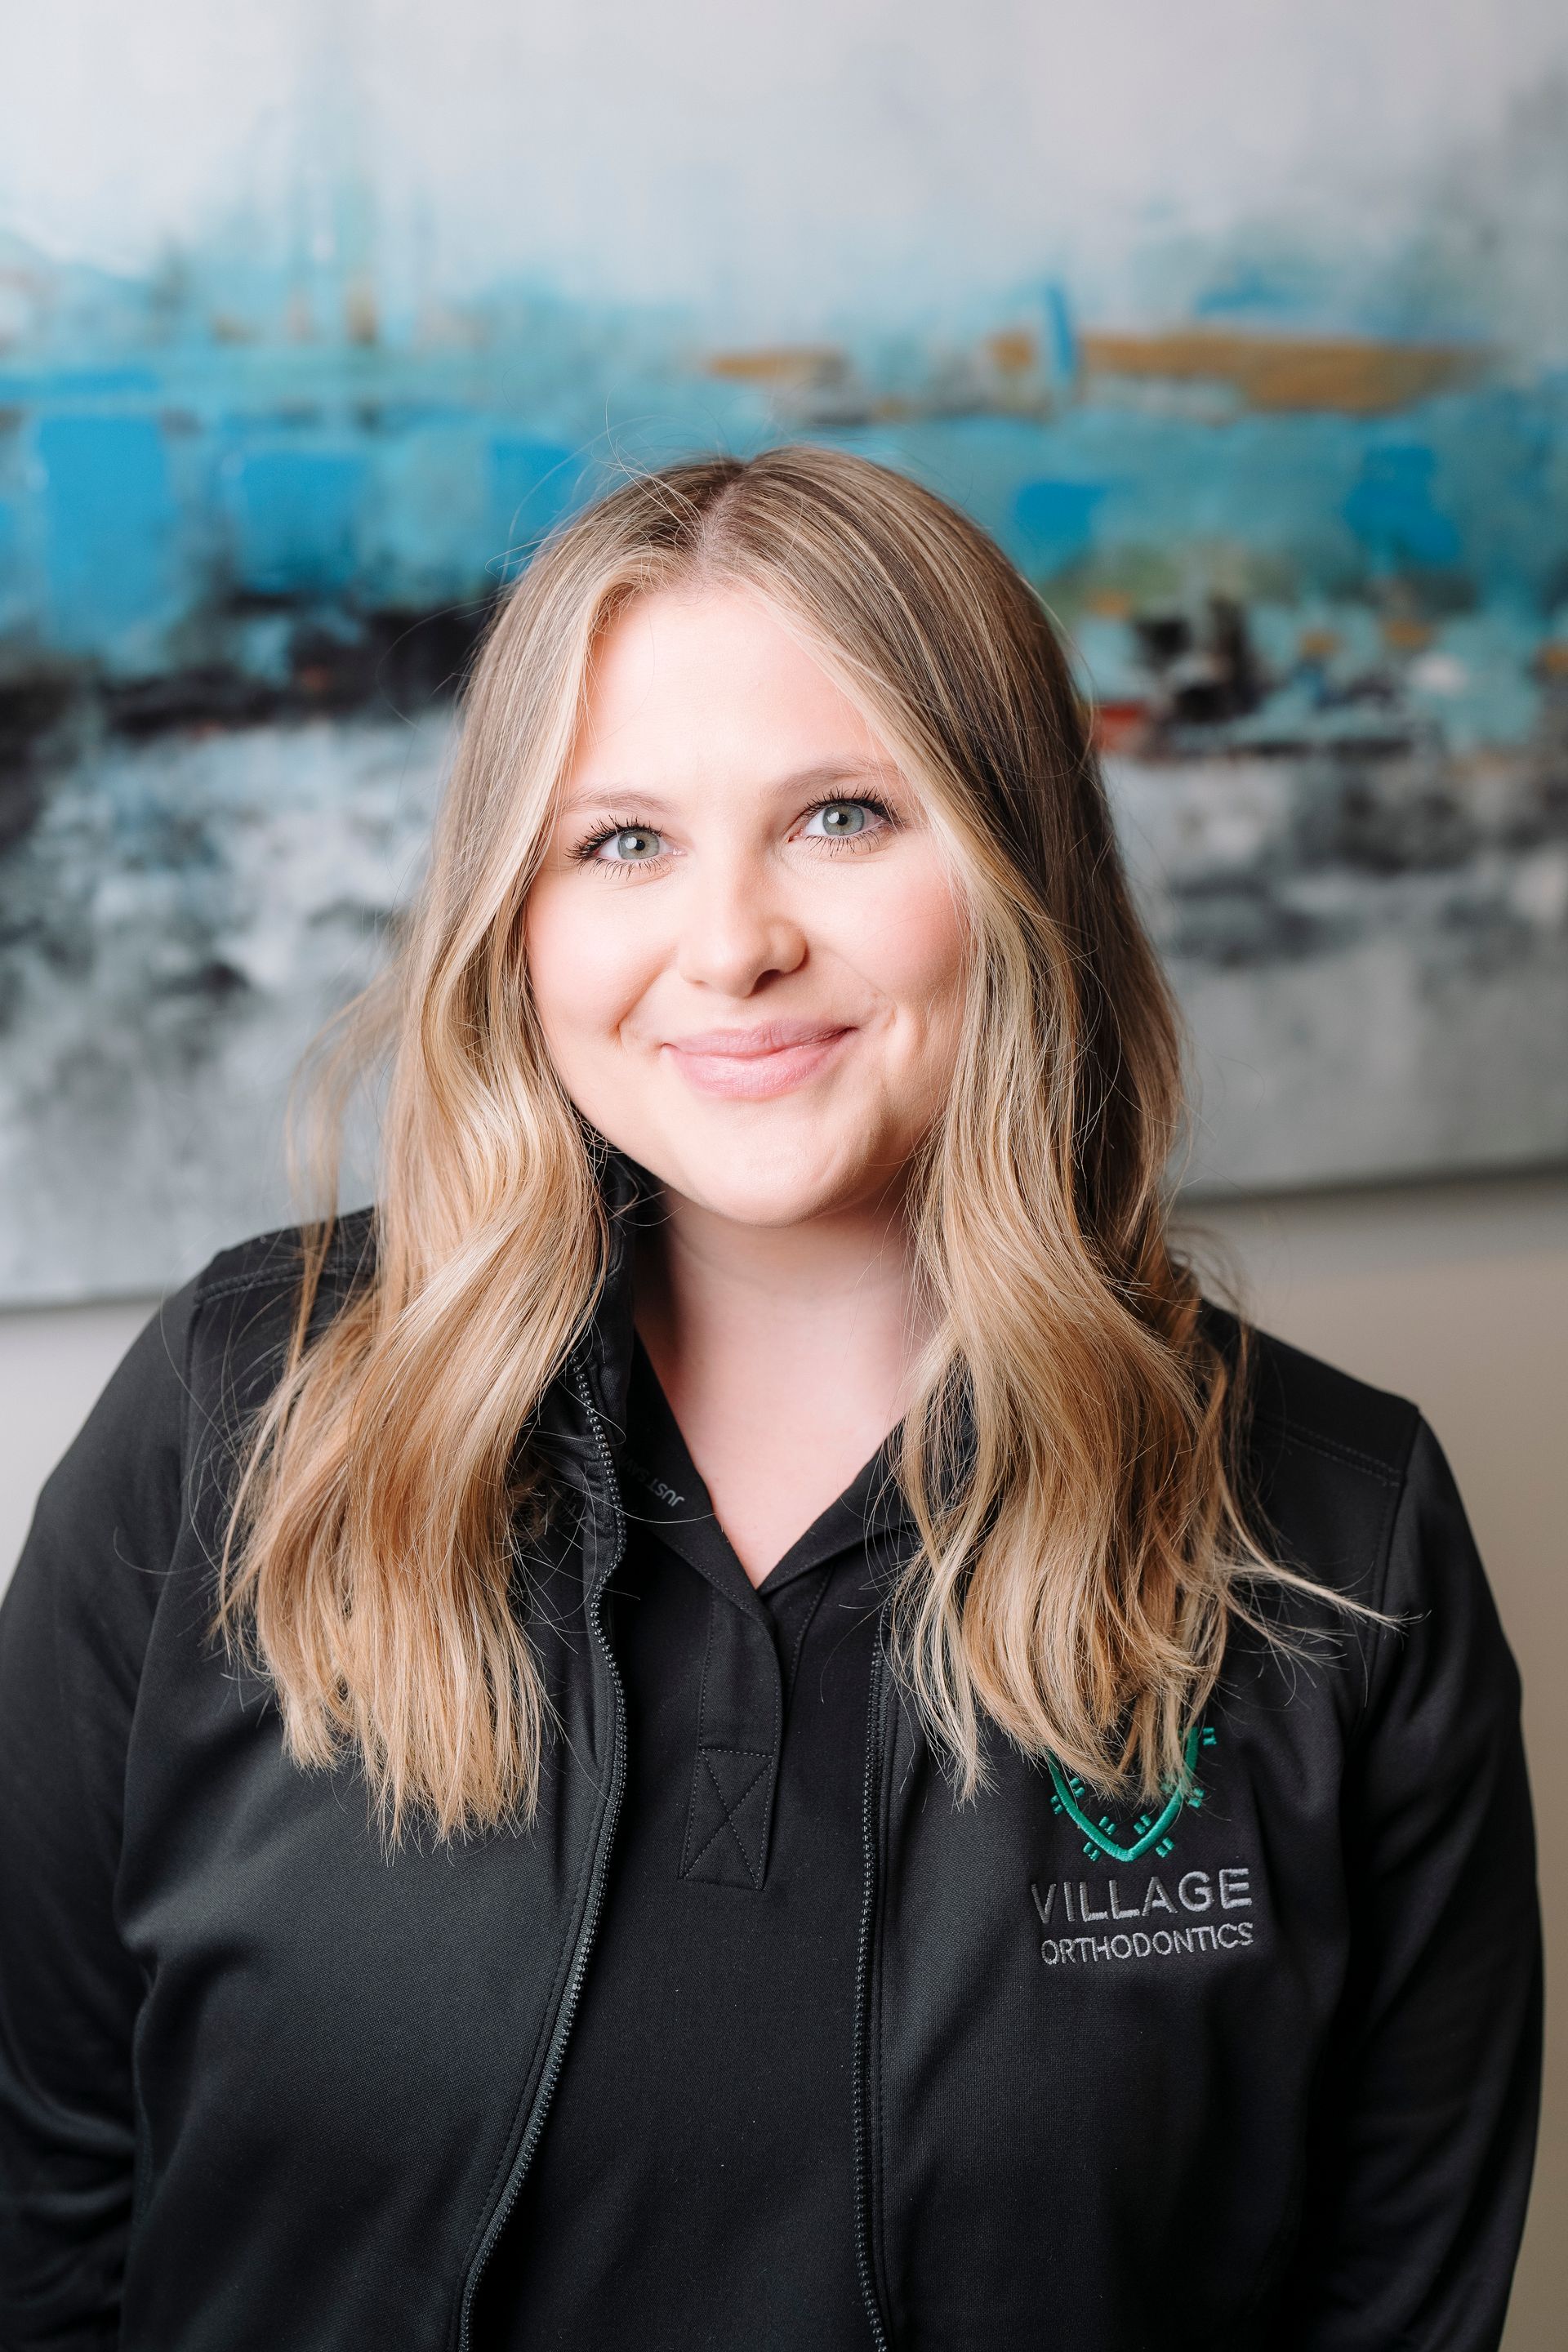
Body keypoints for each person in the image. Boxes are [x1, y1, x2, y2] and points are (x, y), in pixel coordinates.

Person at [0, 447, 1541, 2352]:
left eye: (840, 816)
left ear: (1021, 862)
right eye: (621, 842)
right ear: (516, 915)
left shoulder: (1338, 1530)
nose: (732, 946)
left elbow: (1392, 2303)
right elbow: (43, 2197)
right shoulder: (238, 1417)